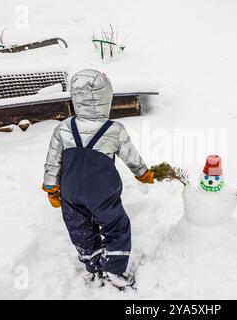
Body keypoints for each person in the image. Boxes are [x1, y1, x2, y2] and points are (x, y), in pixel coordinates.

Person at [42, 69, 154, 288]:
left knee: (80, 228)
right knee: (117, 227)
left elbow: (53, 161)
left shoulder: (63, 128)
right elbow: (131, 156)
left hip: (71, 192)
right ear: (106, 98)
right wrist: (142, 173)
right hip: (102, 193)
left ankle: (92, 266)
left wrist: (51, 187)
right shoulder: (114, 130)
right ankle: (114, 270)